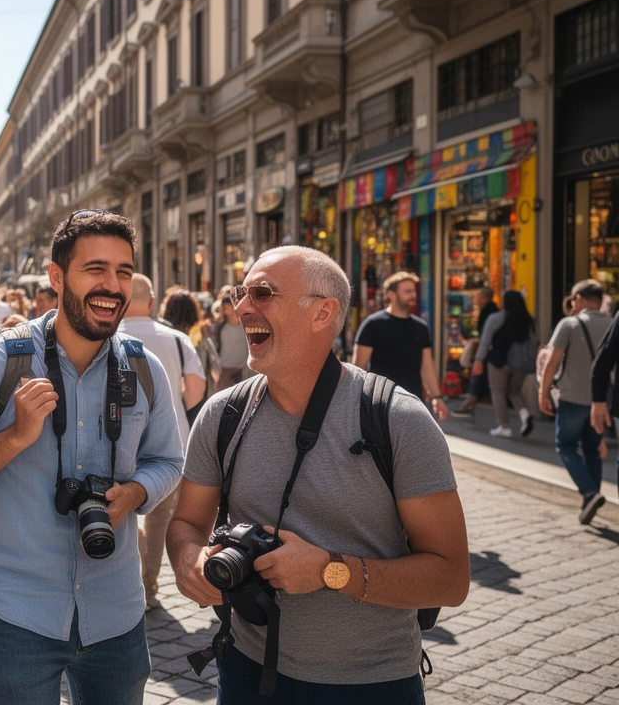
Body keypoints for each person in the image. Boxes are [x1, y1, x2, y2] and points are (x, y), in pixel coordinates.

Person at [167, 246, 470, 703]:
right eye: (241, 293)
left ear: (322, 313)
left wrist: (331, 572)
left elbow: (451, 578)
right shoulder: (221, 414)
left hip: (372, 684)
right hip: (246, 670)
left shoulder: (398, 420)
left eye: (263, 293)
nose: (242, 307)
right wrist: (189, 561)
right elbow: (186, 523)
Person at [0, 211, 182, 705]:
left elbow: (170, 460)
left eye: (124, 272)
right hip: (17, 613)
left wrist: (136, 493)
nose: (112, 285)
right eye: (96, 269)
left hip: (117, 615)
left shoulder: (144, 369)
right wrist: (15, 438)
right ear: (57, 276)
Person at [119, 274, 204, 610]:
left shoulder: (109, 336)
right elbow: (196, 390)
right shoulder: (178, 339)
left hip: (119, 438)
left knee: (123, 508)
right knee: (160, 514)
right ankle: (149, 581)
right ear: (152, 303)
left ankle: (130, 577)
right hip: (171, 439)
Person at [538, 280, 611, 525]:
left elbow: (552, 361)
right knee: (592, 448)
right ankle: (591, 497)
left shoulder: (569, 324)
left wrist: (543, 392)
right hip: (601, 401)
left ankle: (590, 493)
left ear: (578, 299)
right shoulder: (612, 323)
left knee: (566, 445)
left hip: (571, 398)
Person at [353, 272, 448, 421]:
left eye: (414, 291)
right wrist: (357, 401)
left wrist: (437, 396)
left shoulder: (421, 327)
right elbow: (359, 367)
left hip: (414, 401)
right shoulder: (372, 324)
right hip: (381, 402)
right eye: (407, 291)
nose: (413, 295)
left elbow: (427, 365)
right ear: (392, 294)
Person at [473, 290, 536, 438]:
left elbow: (485, 341)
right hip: (522, 363)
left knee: (498, 392)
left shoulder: (496, 318)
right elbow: (533, 342)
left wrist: (478, 359)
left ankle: (504, 426)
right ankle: (525, 414)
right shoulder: (529, 320)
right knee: (514, 390)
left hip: (499, 361)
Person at [163, 289, 220, 400]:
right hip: (197, 395)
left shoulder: (164, 334)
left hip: (170, 394)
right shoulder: (200, 335)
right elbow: (215, 369)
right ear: (194, 310)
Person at [452, 287, 498, 416]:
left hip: (486, 351)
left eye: (478, 297)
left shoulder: (488, 312)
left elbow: (486, 336)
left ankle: (468, 404)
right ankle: (469, 403)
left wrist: (479, 355)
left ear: (485, 298)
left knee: (477, 376)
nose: (475, 300)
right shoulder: (490, 311)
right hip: (488, 351)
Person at [213, 289, 252, 389]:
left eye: (227, 306)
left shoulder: (245, 326)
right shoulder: (220, 326)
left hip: (242, 369)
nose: (225, 309)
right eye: (223, 307)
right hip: (224, 368)